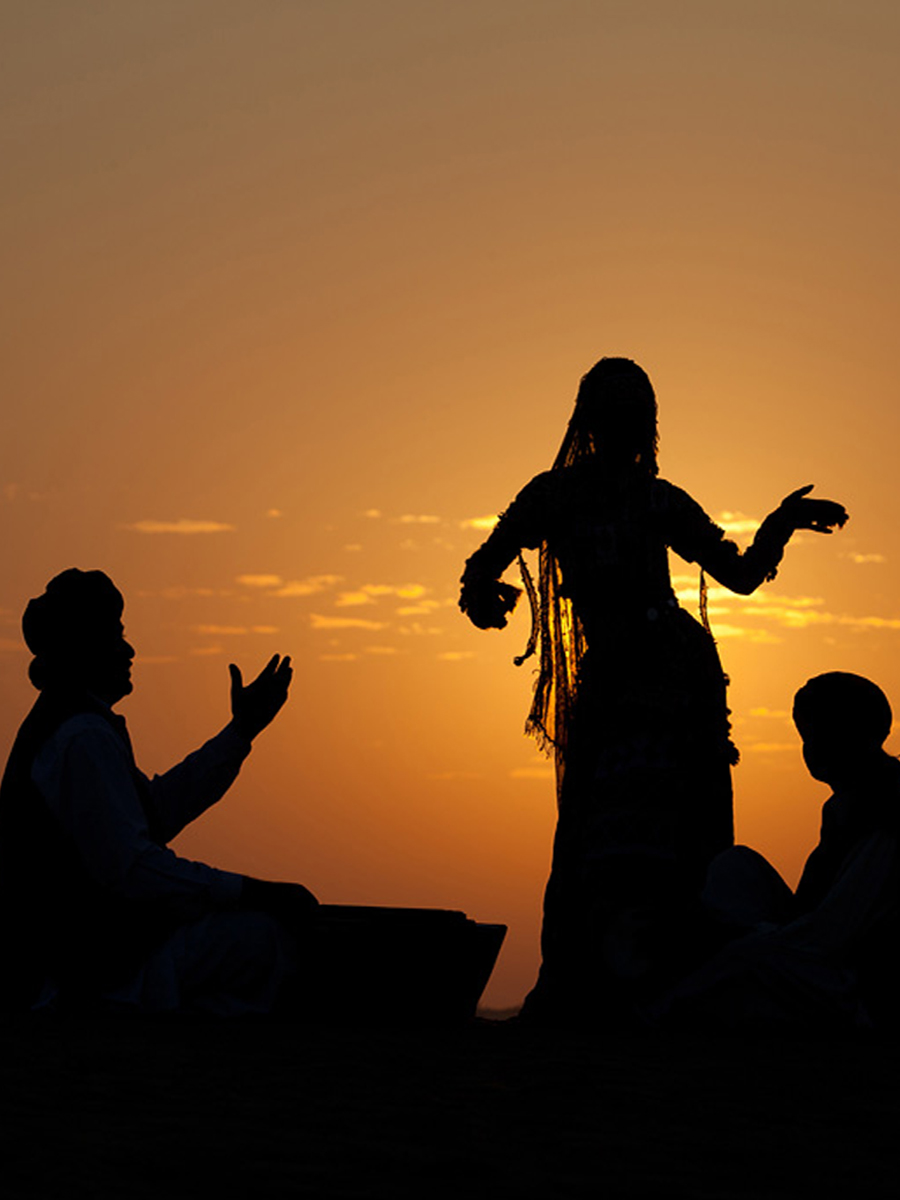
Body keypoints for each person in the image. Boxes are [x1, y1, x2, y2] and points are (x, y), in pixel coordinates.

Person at [459, 357, 848, 1019]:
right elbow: (480, 569)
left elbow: (743, 575)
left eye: (638, 420)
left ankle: (674, 981)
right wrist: (483, 597)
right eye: (617, 419)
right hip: (614, 685)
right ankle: (587, 983)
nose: (629, 432)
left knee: (679, 833)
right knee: (591, 831)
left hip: (678, 684)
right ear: (591, 424)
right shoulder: (553, 496)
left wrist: (778, 527)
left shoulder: (658, 500)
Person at [0, 568, 318, 1016]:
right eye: (115, 634)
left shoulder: (78, 728)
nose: (128, 650)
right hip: (94, 971)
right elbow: (132, 866)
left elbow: (151, 813)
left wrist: (241, 731)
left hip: (97, 961)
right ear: (85, 645)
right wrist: (249, 891)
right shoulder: (80, 736)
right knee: (267, 940)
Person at [652, 672, 899, 1030]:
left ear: (860, 736)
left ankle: (662, 1009)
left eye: (823, 733)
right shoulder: (842, 807)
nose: (811, 749)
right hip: (817, 953)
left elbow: (832, 933)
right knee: (735, 869)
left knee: (746, 960)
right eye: (807, 736)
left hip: (859, 985)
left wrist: (752, 938)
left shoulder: (887, 815)